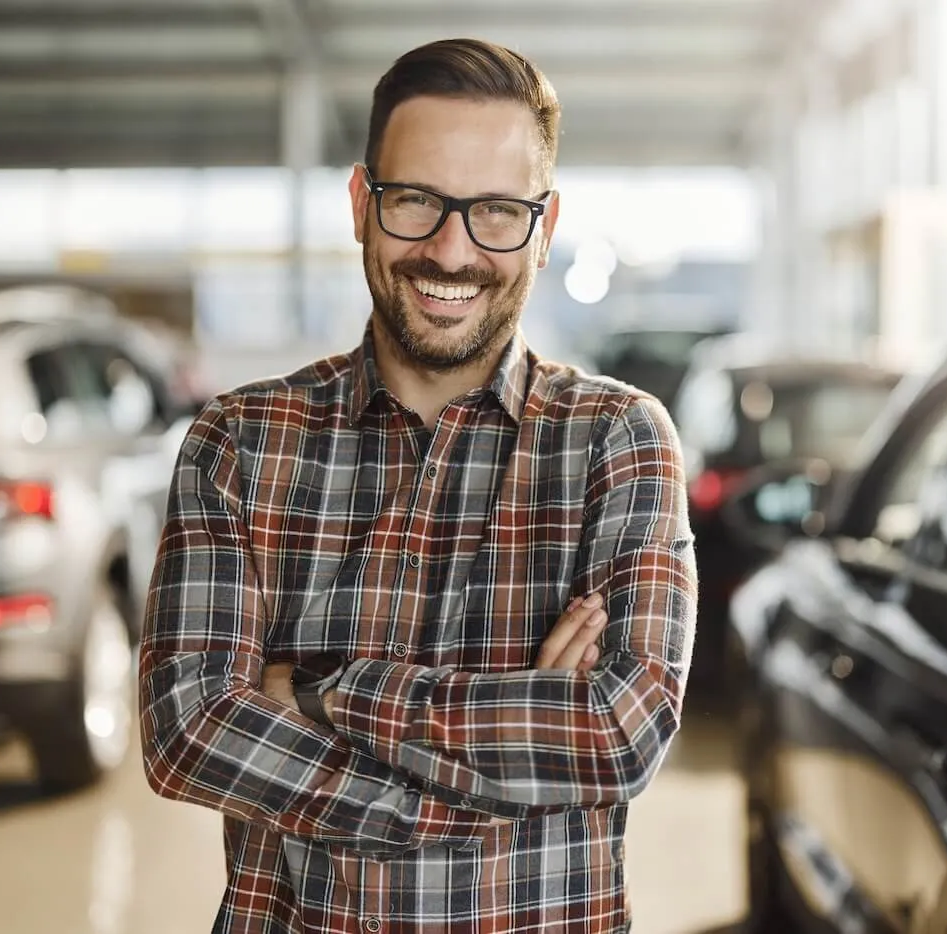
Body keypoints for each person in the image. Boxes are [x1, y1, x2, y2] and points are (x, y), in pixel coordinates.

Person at [139, 37, 696, 933]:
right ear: (362, 205)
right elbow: (188, 732)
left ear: (543, 231)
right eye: (417, 201)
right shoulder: (239, 443)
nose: (451, 249)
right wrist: (495, 778)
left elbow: (616, 732)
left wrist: (320, 691)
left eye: (497, 213)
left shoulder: (617, 441)